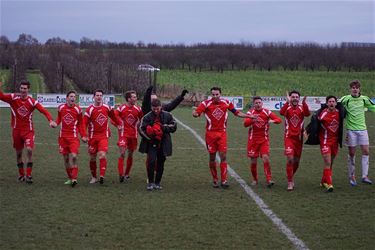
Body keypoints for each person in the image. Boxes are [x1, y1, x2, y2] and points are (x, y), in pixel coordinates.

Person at [192, 86, 253, 188]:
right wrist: (194, 113)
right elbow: (197, 113)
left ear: (220, 94)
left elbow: (237, 113)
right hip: (210, 134)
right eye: (213, 94)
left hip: (222, 134)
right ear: (211, 95)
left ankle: (224, 180)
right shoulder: (205, 104)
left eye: (217, 94)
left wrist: (249, 116)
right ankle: (215, 179)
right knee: (212, 157)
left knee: (223, 156)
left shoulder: (226, 103)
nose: (215, 96)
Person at [0, 80, 57, 183]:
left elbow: (44, 111)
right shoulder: (13, 98)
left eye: (25, 88)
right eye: (21, 88)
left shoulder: (32, 102)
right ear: (19, 89)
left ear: (28, 89)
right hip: (16, 131)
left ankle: (29, 175)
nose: (23, 90)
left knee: (29, 150)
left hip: (28, 131)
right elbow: (1, 96)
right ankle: (21, 175)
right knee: (18, 154)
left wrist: (50, 120)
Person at [82, 89, 122, 184]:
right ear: (94, 97)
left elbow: (113, 116)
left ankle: (102, 176)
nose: (99, 97)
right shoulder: (90, 110)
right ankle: (94, 177)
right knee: (92, 157)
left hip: (104, 136)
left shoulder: (107, 107)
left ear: (102, 97)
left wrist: (119, 123)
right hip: (92, 137)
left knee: (102, 155)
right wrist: (84, 135)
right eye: (97, 95)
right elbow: (84, 124)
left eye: (100, 95)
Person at [340, 80, 375, 185]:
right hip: (351, 130)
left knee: (366, 151)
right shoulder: (345, 99)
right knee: (351, 153)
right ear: (350, 89)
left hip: (363, 130)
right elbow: (334, 105)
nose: (355, 89)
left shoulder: (364, 99)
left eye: (357, 87)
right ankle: (352, 176)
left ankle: (364, 176)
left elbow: (373, 107)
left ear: (359, 89)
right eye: (353, 87)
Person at [139, 98, 177, 191]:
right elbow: (141, 129)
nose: (156, 110)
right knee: (151, 161)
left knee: (161, 162)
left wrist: (163, 128)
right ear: (151, 107)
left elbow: (174, 126)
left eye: (158, 108)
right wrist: (150, 137)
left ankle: (158, 183)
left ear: (161, 107)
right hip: (151, 143)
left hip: (164, 143)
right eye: (154, 108)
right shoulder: (147, 117)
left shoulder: (168, 115)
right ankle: (150, 183)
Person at [244, 96, 282, 187]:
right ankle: (254, 179)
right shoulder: (250, 113)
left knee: (266, 158)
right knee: (253, 161)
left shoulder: (267, 112)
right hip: (253, 141)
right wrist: (252, 119)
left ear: (262, 103)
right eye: (256, 103)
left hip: (264, 140)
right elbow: (245, 124)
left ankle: (269, 179)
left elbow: (279, 120)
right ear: (253, 104)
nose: (258, 104)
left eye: (259, 103)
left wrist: (272, 121)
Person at [280, 90, 310, 191]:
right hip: (289, 138)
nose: (295, 98)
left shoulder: (302, 108)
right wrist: (287, 102)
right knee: (290, 159)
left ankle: (290, 176)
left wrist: (304, 103)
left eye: (297, 97)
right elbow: (281, 112)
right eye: (293, 97)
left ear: (299, 98)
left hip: (299, 139)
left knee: (296, 161)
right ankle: (289, 182)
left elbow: (307, 114)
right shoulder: (287, 107)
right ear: (290, 98)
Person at [55, 90, 85, 187]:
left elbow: (81, 124)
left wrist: (83, 135)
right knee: (66, 159)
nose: (73, 98)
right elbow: (59, 119)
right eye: (71, 96)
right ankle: (70, 177)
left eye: (74, 96)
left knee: (74, 156)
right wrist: (55, 123)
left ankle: (74, 178)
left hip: (73, 137)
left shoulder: (78, 110)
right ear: (67, 98)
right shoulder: (61, 108)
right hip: (62, 138)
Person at [115, 90, 143, 182]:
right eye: (134, 97)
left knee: (130, 154)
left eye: (135, 97)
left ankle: (127, 174)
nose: (136, 98)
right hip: (123, 135)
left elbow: (143, 120)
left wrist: (141, 126)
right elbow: (113, 118)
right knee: (122, 153)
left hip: (133, 135)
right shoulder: (121, 108)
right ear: (129, 99)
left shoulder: (138, 109)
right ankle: (121, 174)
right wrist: (118, 124)